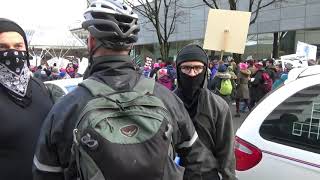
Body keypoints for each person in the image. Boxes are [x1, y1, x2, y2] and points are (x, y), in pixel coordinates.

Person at [33, 1, 215, 180]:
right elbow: (200, 163)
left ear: (91, 42)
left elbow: (44, 173)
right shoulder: (167, 99)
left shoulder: (66, 108)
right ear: (130, 45)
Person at [0, 18, 53, 180]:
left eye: (18, 46)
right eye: (3, 47)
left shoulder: (40, 87)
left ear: (26, 50)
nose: (12, 52)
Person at [175, 44, 237, 180]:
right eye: (186, 68)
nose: (192, 73)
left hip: (206, 176)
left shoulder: (218, 106)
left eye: (197, 68)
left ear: (205, 69)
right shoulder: (167, 103)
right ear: (178, 69)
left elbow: (226, 151)